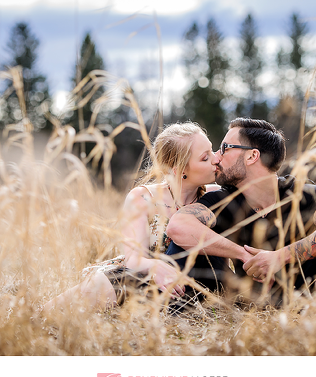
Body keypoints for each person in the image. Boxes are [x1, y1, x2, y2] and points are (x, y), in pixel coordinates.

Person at [165, 117, 316, 306]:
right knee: (185, 244)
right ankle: (174, 312)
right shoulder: (224, 200)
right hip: (250, 304)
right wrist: (244, 255)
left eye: (225, 148)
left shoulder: (303, 194)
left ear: (252, 156)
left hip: (309, 302)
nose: (217, 157)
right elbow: (178, 226)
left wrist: (278, 257)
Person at [41, 121, 218, 317]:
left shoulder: (216, 196)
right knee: (113, 282)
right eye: (205, 157)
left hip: (189, 286)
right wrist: (156, 266)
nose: (216, 159)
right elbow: (134, 259)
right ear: (179, 169)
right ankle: (39, 317)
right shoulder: (143, 198)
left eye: (212, 150)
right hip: (142, 277)